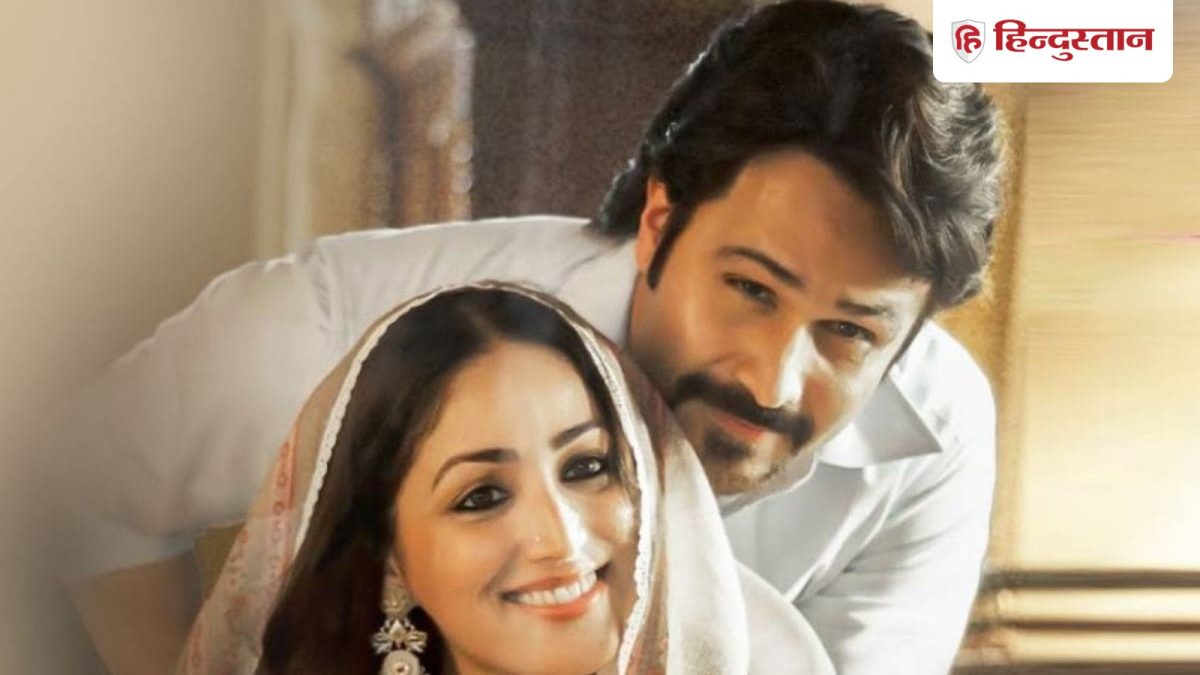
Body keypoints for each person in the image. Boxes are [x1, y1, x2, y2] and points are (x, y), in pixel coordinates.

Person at [58, 1, 1006, 673]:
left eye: (849, 332)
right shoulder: (356, 324)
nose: (772, 379)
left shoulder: (934, 434)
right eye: (751, 289)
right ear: (659, 222)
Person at [178, 283, 832, 674]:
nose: (560, 537)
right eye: (482, 496)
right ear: (390, 552)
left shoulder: (769, 658)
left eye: (586, 467)